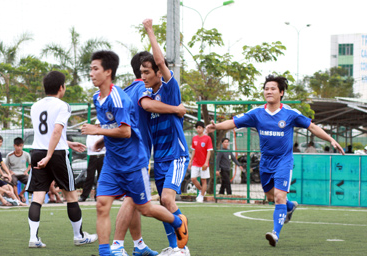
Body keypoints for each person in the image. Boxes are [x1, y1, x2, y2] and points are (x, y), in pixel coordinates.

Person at [206, 74, 345, 247]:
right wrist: (216, 126)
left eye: (273, 89)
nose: (269, 91)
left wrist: (330, 139)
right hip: (265, 163)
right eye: (266, 89)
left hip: (283, 161)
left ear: (281, 92)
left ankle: (275, 234)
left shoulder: (290, 114)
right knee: (271, 196)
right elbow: (234, 122)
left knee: (279, 196)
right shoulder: (256, 114)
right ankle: (289, 206)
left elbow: (312, 127)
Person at [81, 50, 188, 256]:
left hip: (135, 158)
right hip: (122, 158)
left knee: (141, 205)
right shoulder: (128, 91)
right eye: (144, 71)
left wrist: (99, 134)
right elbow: (126, 120)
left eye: (95, 69)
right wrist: (103, 138)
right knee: (106, 203)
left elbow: (130, 121)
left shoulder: (130, 90)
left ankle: (144, 242)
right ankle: (122, 247)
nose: (91, 73)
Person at [26, 70, 97, 248]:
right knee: (71, 195)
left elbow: (48, 133)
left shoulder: (35, 106)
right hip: (56, 154)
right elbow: (56, 130)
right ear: (61, 87)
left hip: (37, 152)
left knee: (38, 196)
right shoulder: (63, 105)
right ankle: (79, 236)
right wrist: (51, 155)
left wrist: (69, 142)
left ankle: (33, 238)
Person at [139, 19, 191, 256]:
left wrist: (150, 31)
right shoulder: (147, 96)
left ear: (159, 72)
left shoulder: (170, 89)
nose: (144, 76)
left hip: (176, 155)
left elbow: (160, 60)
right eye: (141, 72)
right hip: (158, 159)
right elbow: (147, 107)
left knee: (168, 200)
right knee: (162, 204)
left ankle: (183, 246)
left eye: (147, 72)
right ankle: (174, 248)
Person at [188, 121, 213, 203]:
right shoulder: (194, 138)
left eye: (200, 128)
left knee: (203, 180)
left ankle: (201, 196)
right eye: (197, 128)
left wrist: (206, 162)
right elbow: (193, 151)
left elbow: (209, 151)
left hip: (203, 163)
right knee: (193, 178)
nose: (198, 129)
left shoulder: (207, 138)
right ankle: (202, 190)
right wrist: (190, 161)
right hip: (195, 162)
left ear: (203, 128)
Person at [78, 132, 105, 202]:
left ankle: (98, 195)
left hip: (102, 157)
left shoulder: (103, 133)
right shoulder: (90, 135)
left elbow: (105, 145)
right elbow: (90, 146)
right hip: (93, 157)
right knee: (89, 177)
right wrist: (99, 147)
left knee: (101, 177)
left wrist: (98, 147)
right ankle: (84, 196)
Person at [5, 137, 31, 203]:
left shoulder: (26, 154)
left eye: (20, 146)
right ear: (14, 146)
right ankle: (17, 198)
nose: (19, 148)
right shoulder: (9, 155)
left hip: (23, 173)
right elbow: (6, 166)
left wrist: (26, 171)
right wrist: (10, 172)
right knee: (13, 181)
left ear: (22, 146)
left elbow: (30, 164)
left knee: (30, 181)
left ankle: (21, 194)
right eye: (17, 146)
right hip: (14, 173)